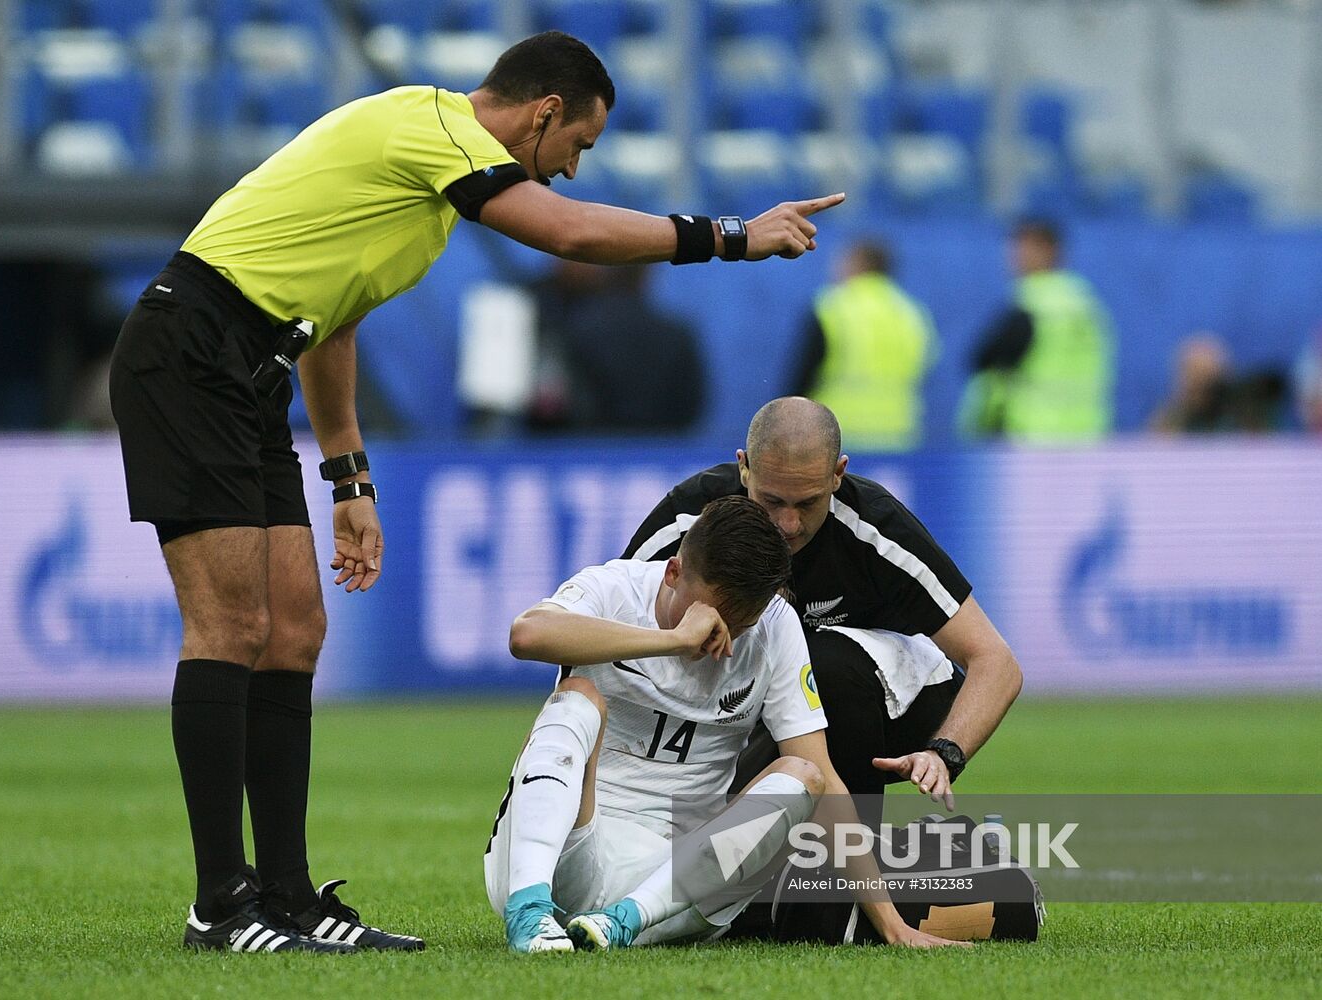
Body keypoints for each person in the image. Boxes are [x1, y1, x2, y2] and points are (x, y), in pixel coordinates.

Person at [107, 31, 843, 953]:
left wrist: (348, 476)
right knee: (230, 629)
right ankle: (221, 903)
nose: (571, 171)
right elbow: (566, 233)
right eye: (576, 146)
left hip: (257, 367)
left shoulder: (422, 203)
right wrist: (730, 236)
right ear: (541, 113)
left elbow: (332, 329)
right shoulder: (432, 123)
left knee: (293, 631)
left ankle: (288, 898)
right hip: (190, 352)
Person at [487, 496, 966, 952]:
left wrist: (891, 922)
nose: (726, 644)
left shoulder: (775, 625)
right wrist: (673, 640)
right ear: (673, 572)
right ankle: (529, 910)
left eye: (740, 626)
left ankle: (622, 923)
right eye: (716, 620)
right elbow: (527, 634)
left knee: (803, 775)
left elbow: (823, 776)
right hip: (567, 851)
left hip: (678, 888)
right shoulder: (615, 589)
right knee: (577, 699)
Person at [623, 398, 1022, 834]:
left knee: (819, 664)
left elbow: (995, 661)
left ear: (838, 474)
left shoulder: (875, 530)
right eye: (772, 500)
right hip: (751, 717)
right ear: (744, 468)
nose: (788, 525)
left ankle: (845, 872)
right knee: (700, 833)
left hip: (885, 708)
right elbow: (605, 629)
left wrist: (943, 753)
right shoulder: (690, 526)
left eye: (807, 503)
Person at [959, 218, 1115, 444]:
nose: (1016, 257)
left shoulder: (1033, 303)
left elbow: (984, 359)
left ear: (1050, 251)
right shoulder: (1089, 306)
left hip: (1034, 436)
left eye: (1024, 248)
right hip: (1087, 435)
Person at [525, 261, 705, 434]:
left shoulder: (574, 330)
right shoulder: (676, 333)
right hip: (663, 451)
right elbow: (690, 404)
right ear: (646, 275)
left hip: (586, 450)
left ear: (603, 272)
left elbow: (565, 401)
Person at [792, 239, 937, 452]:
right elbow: (924, 366)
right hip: (898, 434)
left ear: (857, 264)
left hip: (837, 432)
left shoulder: (832, 307)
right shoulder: (912, 313)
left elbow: (804, 371)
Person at [1150, 333, 1233, 434]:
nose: (1198, 383)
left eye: (1204, 375)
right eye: (1191, 375)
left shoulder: (1239, 421)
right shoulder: (1167, 422)